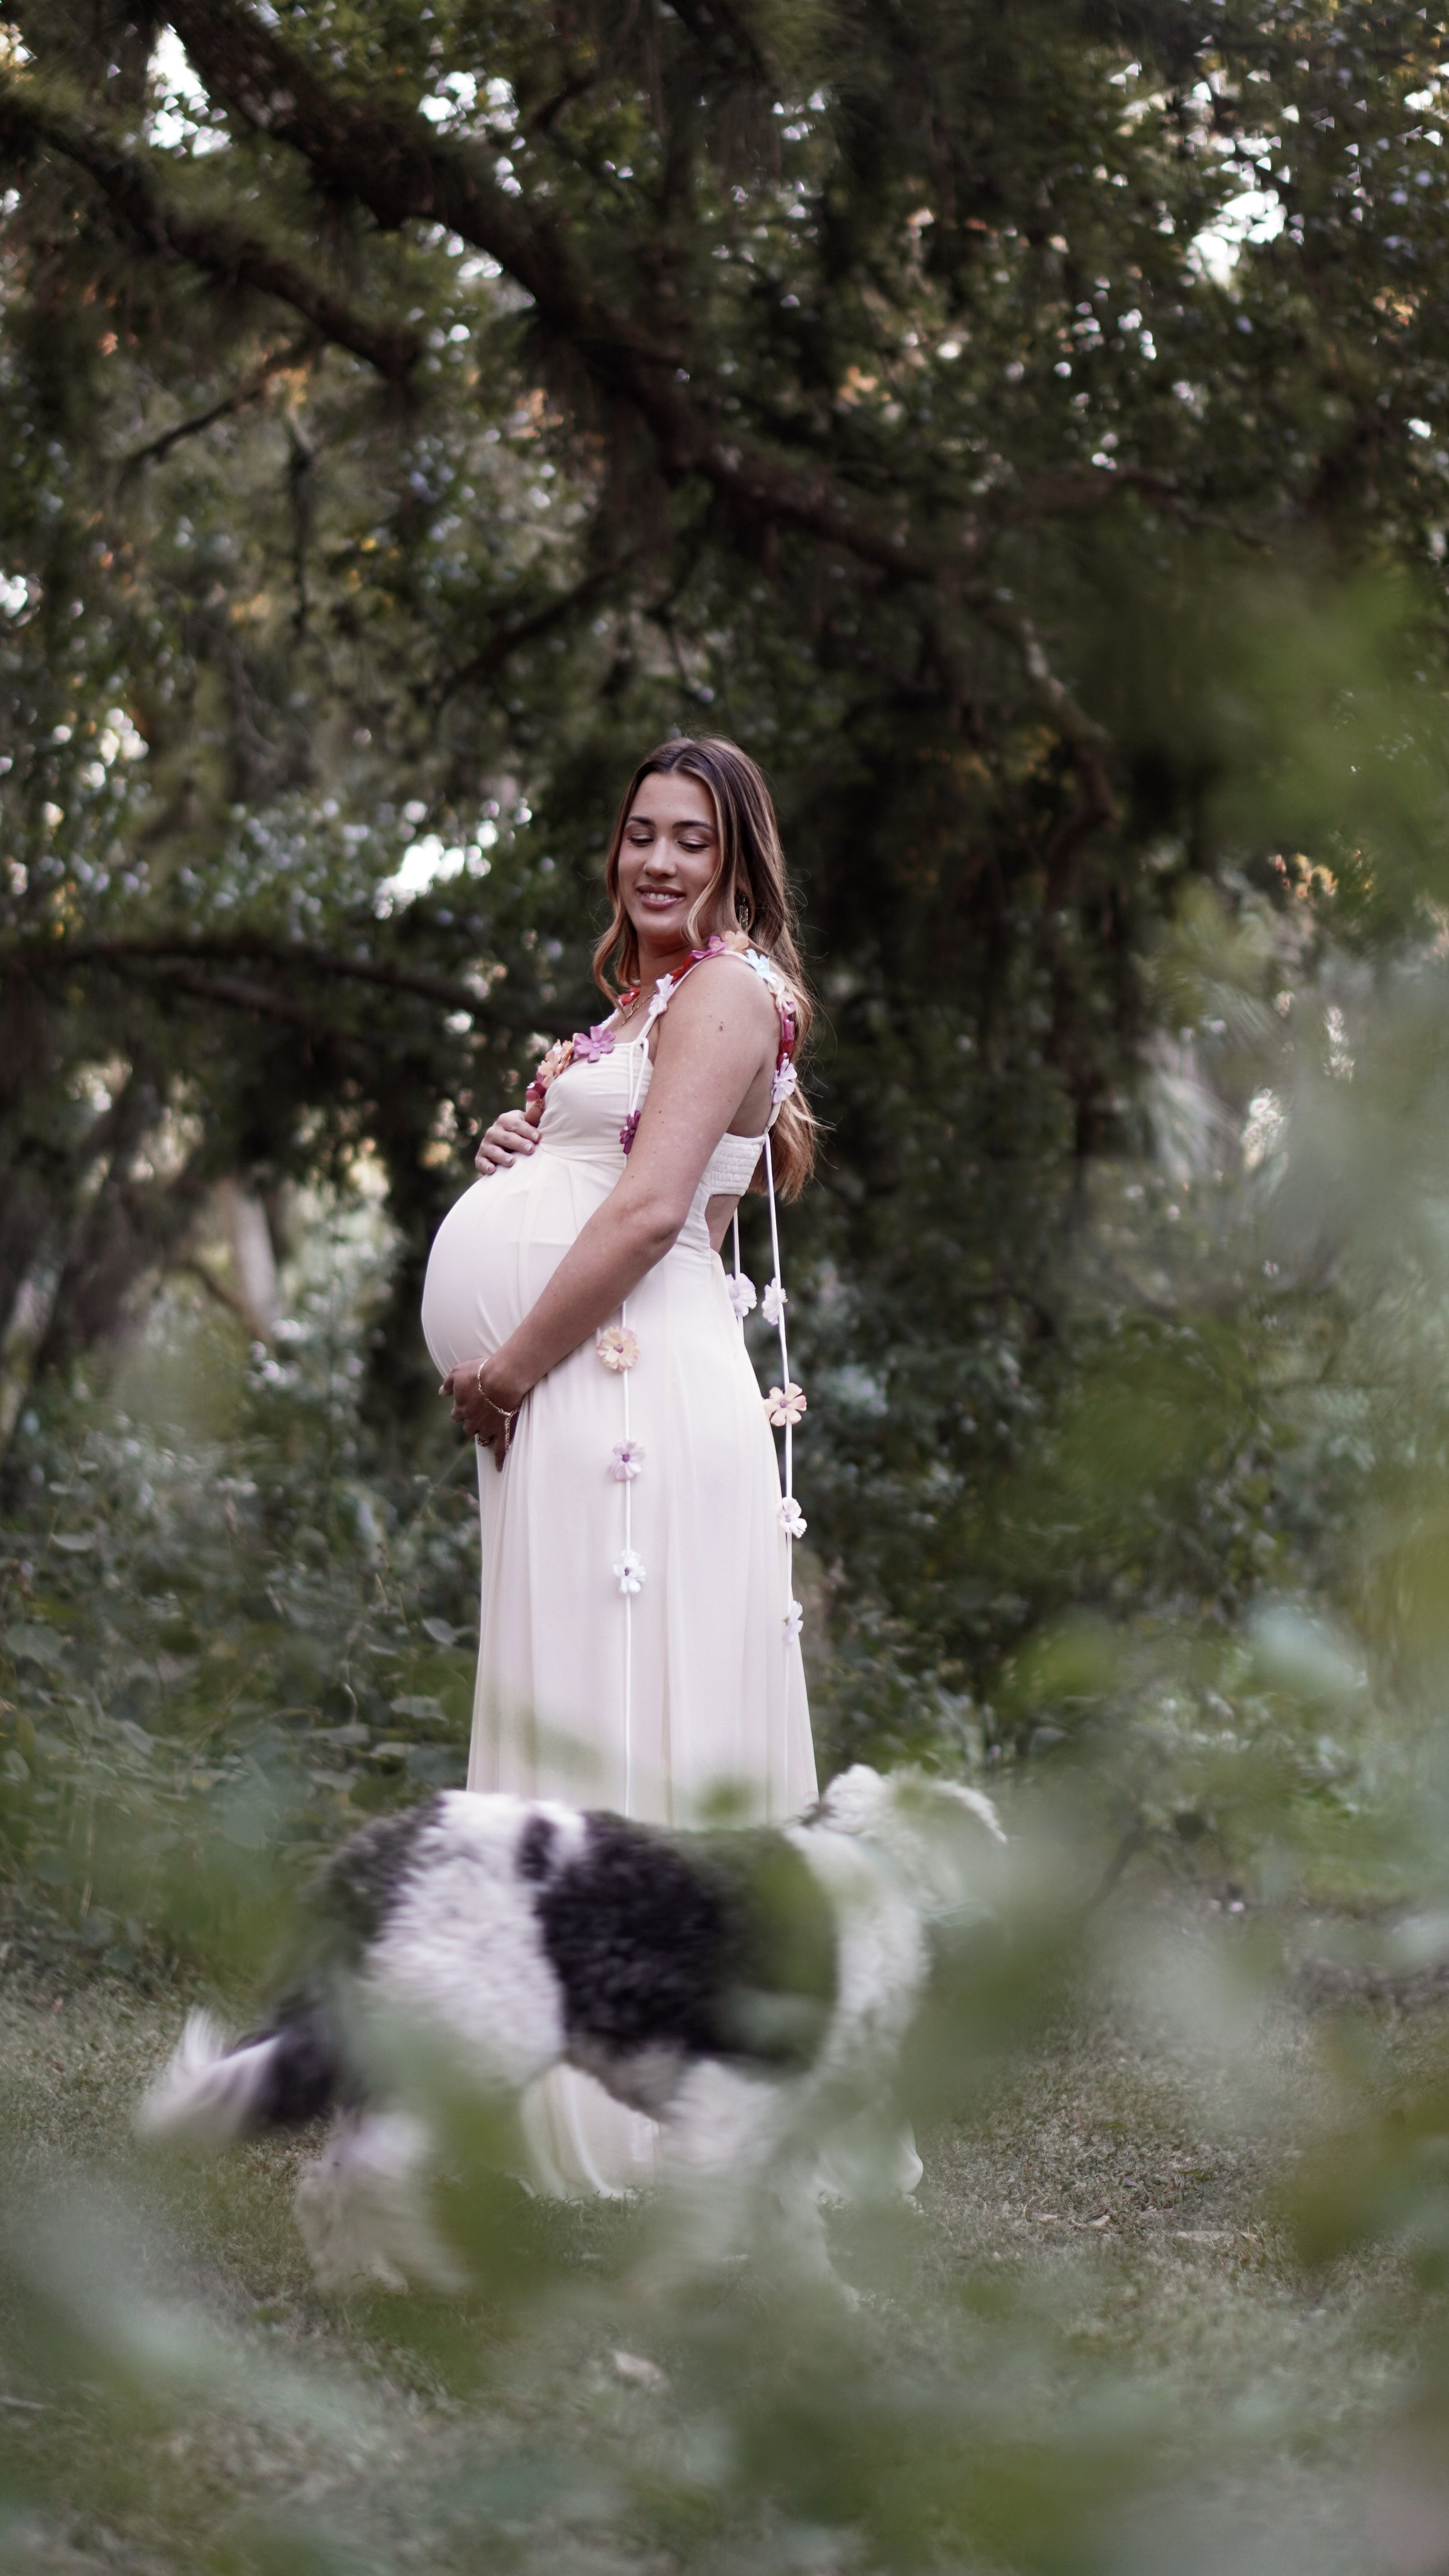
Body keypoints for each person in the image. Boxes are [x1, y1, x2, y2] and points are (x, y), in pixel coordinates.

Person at [419, 736, 819, 2197]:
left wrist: (513, 1361)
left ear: (734, 862)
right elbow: (613, 1175)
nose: (657, 860)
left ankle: (662, 2104)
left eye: (689, 840)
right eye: (639, 834)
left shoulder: (722, 987)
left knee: (628, 1713)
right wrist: (524, 1155)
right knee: (569, 1699)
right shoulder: (639, 1001)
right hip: (592, 1387)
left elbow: (656, 1212)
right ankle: (548, 2067)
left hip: (625, 1388)